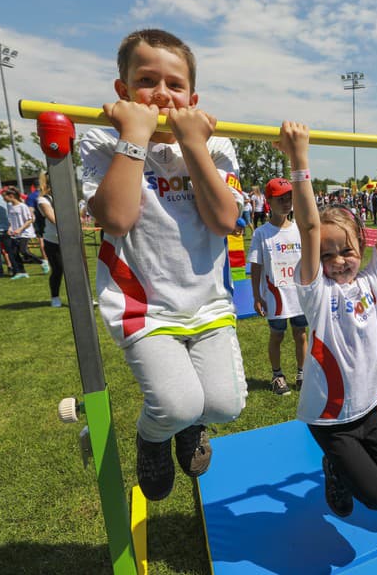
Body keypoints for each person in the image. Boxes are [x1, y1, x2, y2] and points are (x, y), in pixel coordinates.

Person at [79, 28, 247, 501]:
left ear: (192, 98)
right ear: (123, 90)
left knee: (223, 404)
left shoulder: (214, 145)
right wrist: (134, 136)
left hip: (208, 301)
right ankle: (154, 437)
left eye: (174, 85)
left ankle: (189, 426)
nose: (161, 93)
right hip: (143, 306)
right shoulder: (101, 139)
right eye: (147, 80)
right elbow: (116, 217)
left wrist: (193, 146)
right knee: (175, 404)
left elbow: (224, 220)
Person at [283, 121, 377, 518]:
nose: (338, 261)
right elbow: (308, 228)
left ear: (362, 244)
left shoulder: (375, 280)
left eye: (346, 251)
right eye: (327, 255)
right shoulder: (317, 293)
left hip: (368, 409)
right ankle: (335, 468)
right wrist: (299, 159)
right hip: (331, 419)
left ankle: (344, 465)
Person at [248, 177, 307, 396]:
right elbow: (256, 266)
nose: (286, 202)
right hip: (276, 297)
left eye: (289, 198)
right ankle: (277, 375)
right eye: (280, 199)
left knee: (301, 333)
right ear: (269, 202)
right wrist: (256, 295)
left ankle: (302, 374)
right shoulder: (261, 233)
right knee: (277, 335)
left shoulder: (300, 229)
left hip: (299, 295)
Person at [2, 186, 48, 280]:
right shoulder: (10, 207)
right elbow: (11, 220)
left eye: (4, 197)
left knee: (23, 251)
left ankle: (42, 262)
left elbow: (29, 220)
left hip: (25, 232)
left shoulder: (23, 206)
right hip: (15, 233)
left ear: (11, 196)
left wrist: (20, 229)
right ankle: (21, 272)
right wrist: (10, 228)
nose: (3, 199)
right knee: (14, 253)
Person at [35, 174, 65, 307]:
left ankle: (85, 297)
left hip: (72, 240)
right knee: (58, 270)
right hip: (53, 241)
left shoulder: (67, 197)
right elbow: (53, 219)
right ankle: (55, 297)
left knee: (79, 271)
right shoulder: (43, 200)